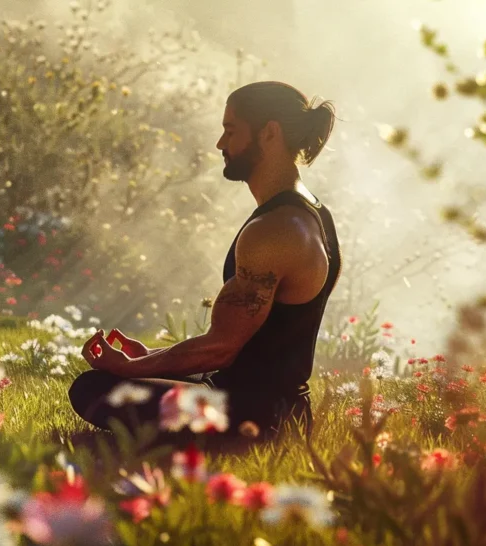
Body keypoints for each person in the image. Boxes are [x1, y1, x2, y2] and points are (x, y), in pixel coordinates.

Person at [69, 81, 342, 451]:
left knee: (93, 388)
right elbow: (249, 347)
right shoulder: (315, 214)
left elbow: (221, 349)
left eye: (231, 131)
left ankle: (228, 444)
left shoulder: (275, 230)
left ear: (269, 133)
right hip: (270, 405)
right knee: (128, 380)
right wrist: (148, 357)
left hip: (254, 417)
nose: (221, 144)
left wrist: (129, 369)